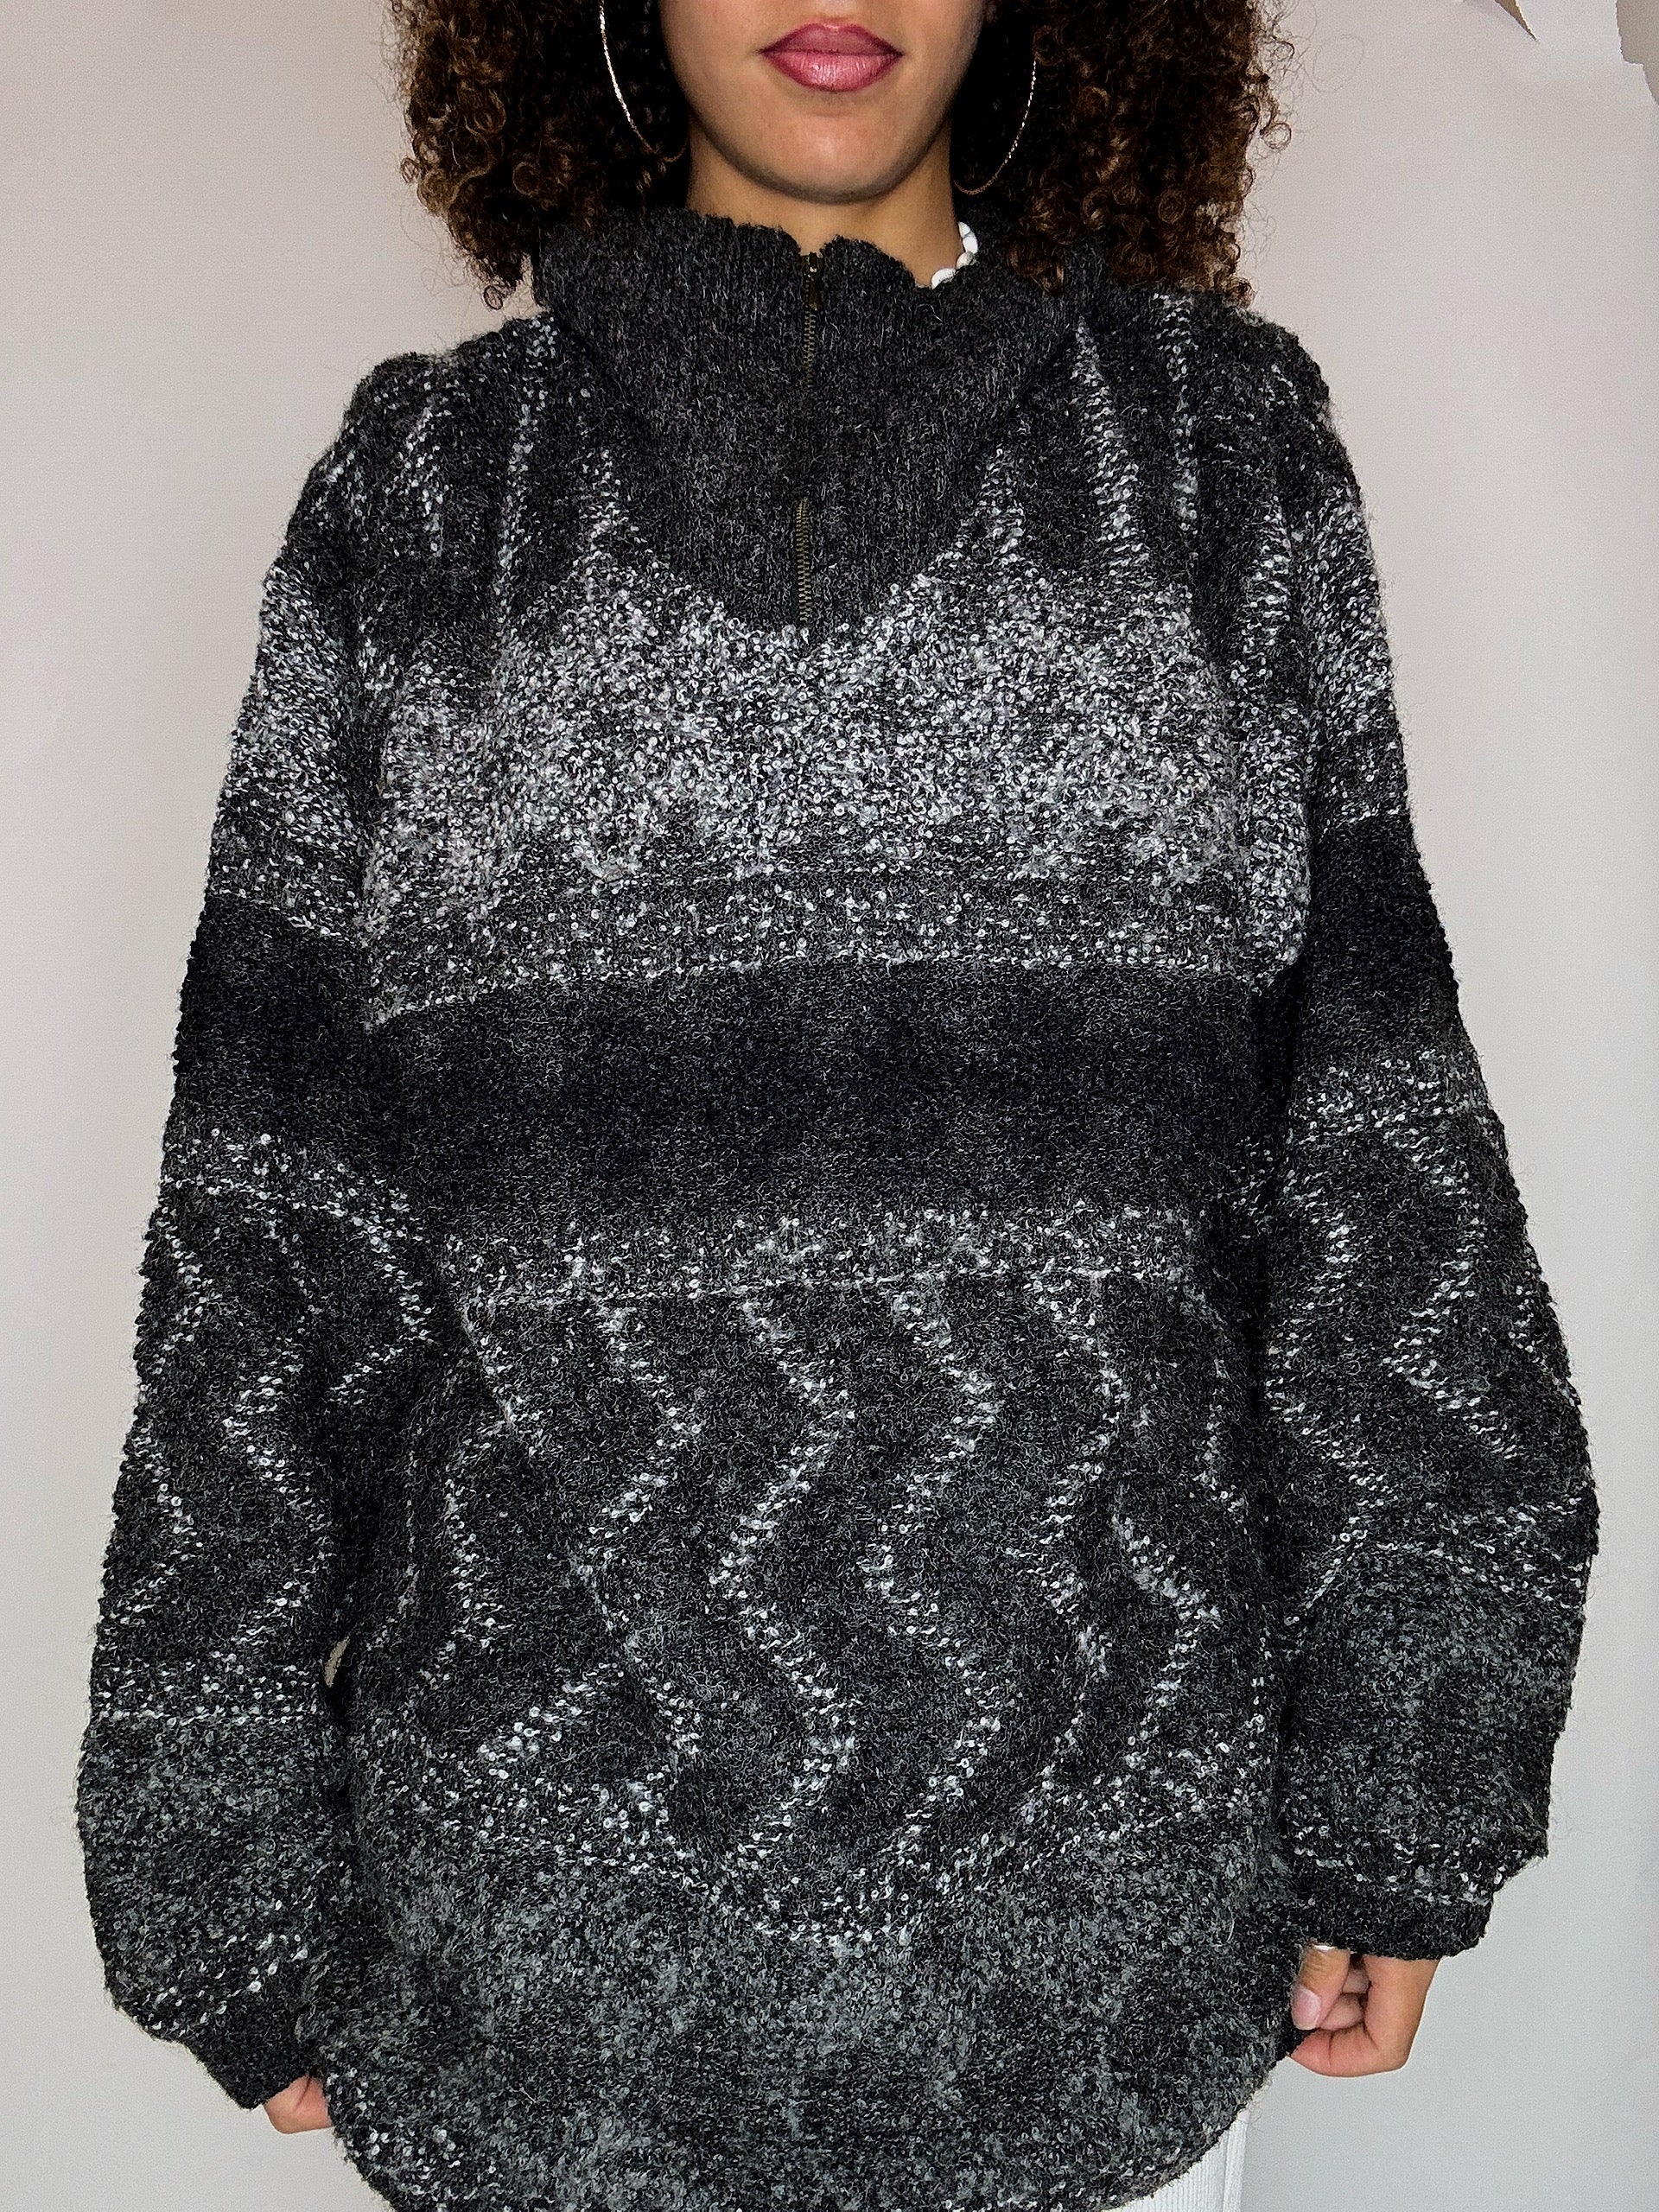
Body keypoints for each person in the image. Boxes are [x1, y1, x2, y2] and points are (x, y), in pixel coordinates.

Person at [73, 0, 1599, 2207]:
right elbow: (268, 1222)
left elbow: (1375, 1141)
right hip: (525, 1987)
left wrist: (1416, 1765)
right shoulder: (423, 505)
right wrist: (210, 1861)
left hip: (1117, 1978)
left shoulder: (1216, 464)